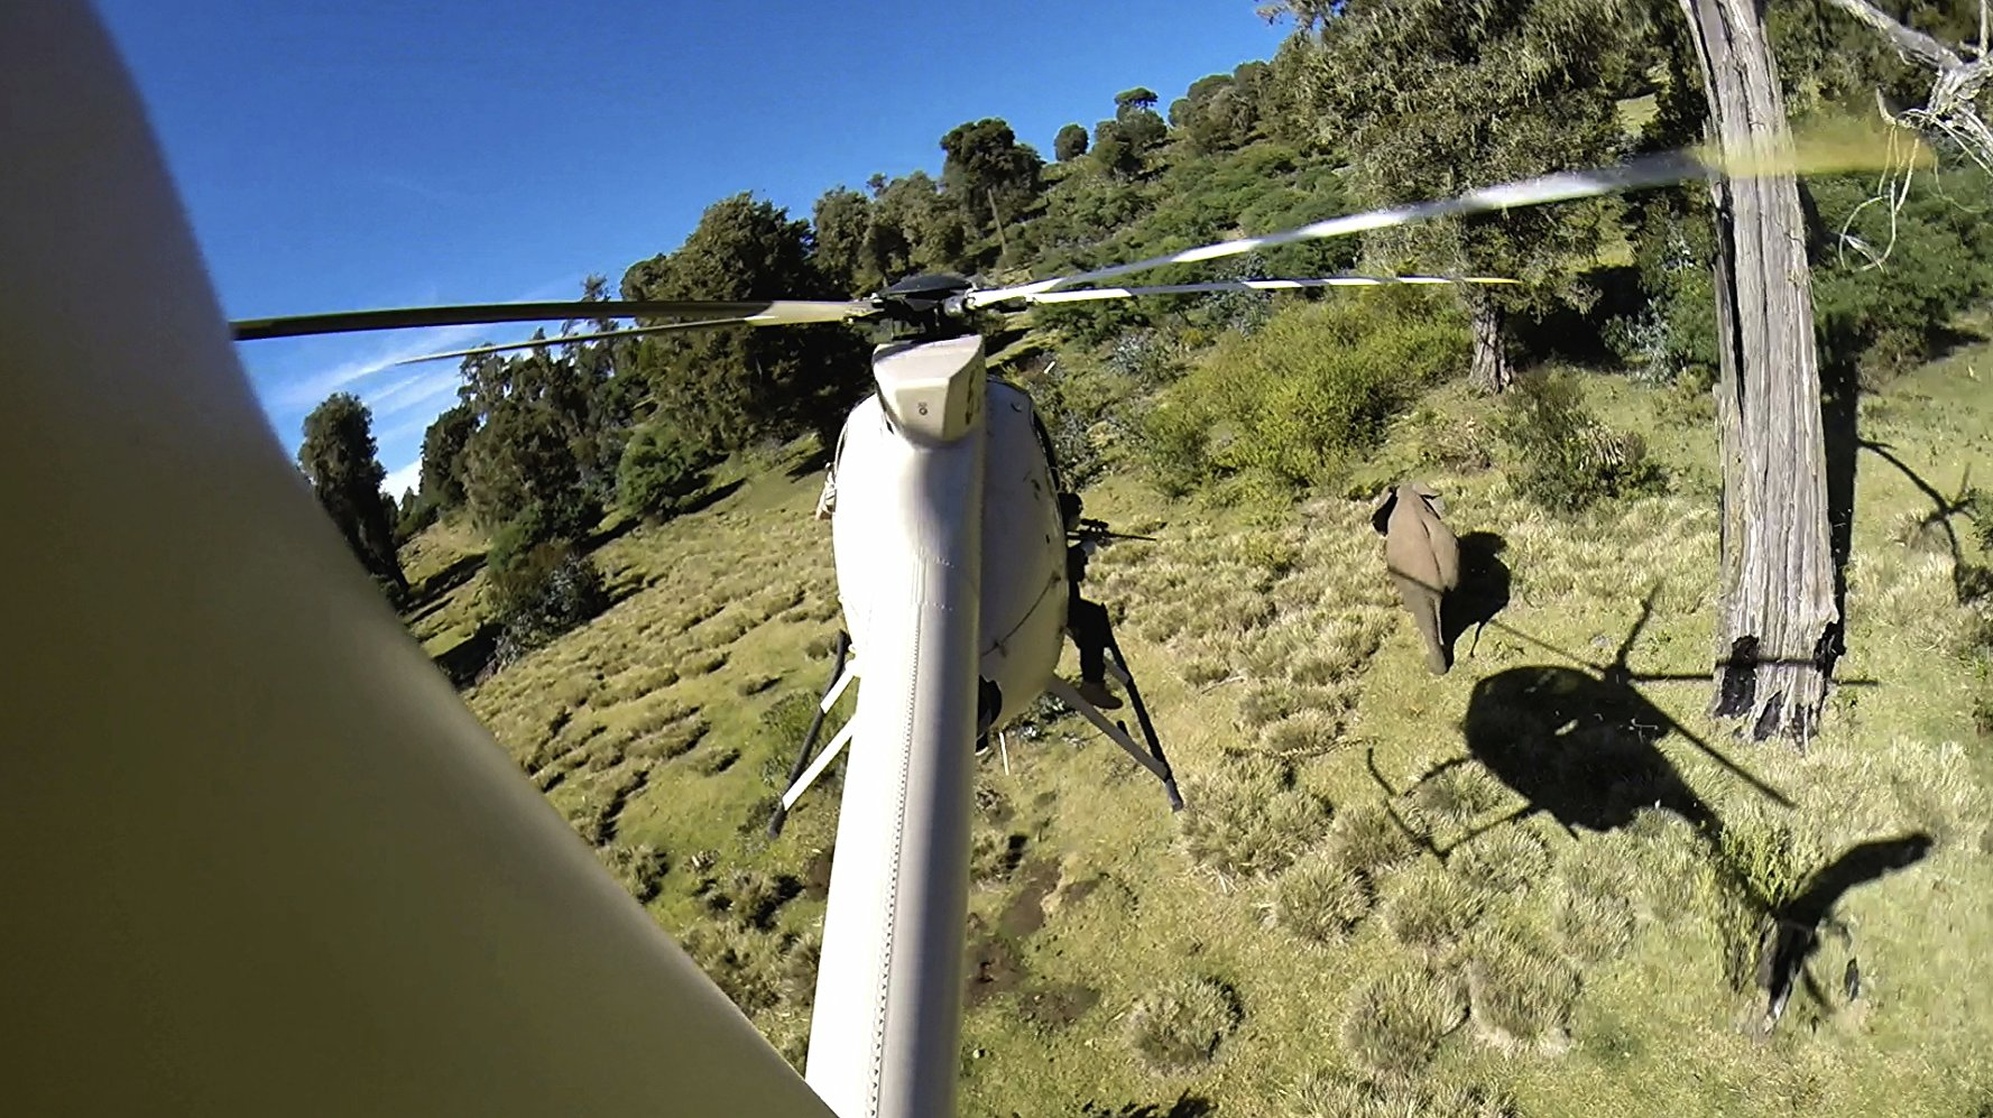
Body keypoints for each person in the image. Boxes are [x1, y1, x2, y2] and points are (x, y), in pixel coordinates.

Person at [1065, 540, 1121, 711]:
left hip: (1056, 600)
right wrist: (1083, 550)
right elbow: (1070, 569)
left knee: (1092, 618)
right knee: (1092, 620)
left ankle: (1094, 683)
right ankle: (1092, 684)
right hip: (1056, 604)